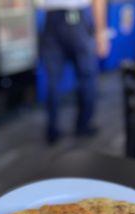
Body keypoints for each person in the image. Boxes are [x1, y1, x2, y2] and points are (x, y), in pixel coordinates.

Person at [39, 0, 109, 143]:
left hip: (51, 19)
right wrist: (101, 33)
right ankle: (83, 126)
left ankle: (52, 130)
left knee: (52, 79)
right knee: (87, 77)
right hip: (77, 19)